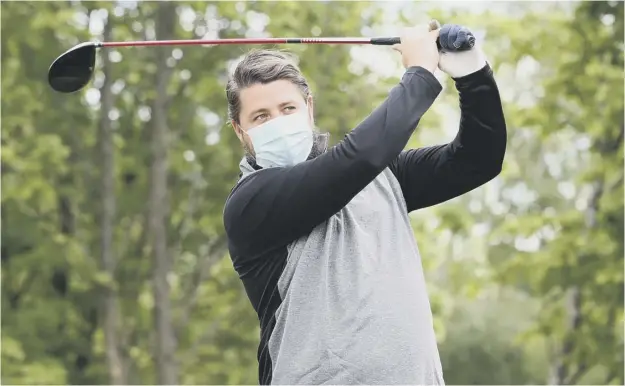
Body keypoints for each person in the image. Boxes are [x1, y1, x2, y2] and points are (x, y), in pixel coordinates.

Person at [223, 22, 506, 385]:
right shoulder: (249, 204)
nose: (277, 122)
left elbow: (479, 160)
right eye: (261, 117)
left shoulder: (384, 177)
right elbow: (358, 159)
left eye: (287, 108)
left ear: (309, 109)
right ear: (239, 130)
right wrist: (420, 73)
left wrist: (471, 71)